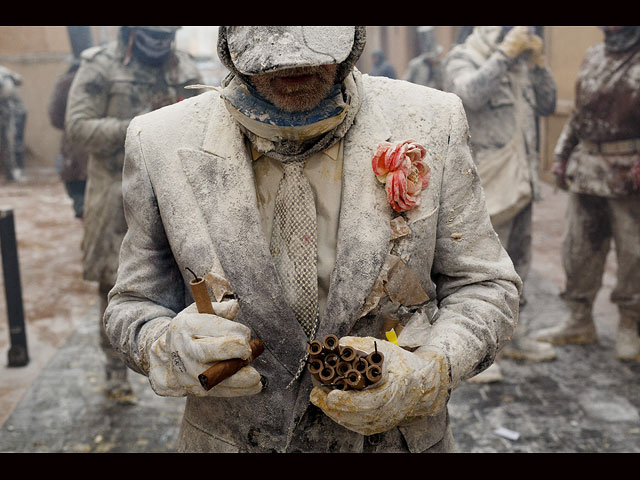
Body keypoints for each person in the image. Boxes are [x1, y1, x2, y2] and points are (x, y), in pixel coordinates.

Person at [104, 25, 521, 453]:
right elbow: (132, 304)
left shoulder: (433, 120)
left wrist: (431, 371)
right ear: (229, 42)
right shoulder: (159, 141)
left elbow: (483, 286)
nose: (298, 65)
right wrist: (163, 347)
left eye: (317, 48)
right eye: (273, 58)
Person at [65, 26, 203, 403]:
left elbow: (206, 120)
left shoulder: (185, 67)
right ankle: (115, 376)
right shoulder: (100, 66)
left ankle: (186, 363)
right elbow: (77, 127)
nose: (158, 43)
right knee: (114, 285)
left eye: (166, 35)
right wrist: (144, 128)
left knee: (192, 277)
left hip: (173, 193)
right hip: (114, 196)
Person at [442, 26, 558, 381]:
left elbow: (548, 103)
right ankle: (477, 351)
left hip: (521, 180)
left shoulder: (522, 63)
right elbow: (469, 95)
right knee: (482, 272)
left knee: (519, 266)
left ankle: (516, 337)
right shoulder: (465, 56)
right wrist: (504, 56)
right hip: (486, 184)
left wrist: (537, 64)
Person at [534, 26, 640, 363]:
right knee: (579, 249)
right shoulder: (594, 55)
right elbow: (578, 116)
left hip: (628, 175)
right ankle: (579, 320)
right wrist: (562, 155)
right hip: (587, 171)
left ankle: (629, 325)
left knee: (633, 254)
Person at [48, 59, 88, 218]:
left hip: (73, 154)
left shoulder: (65, 83)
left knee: (81, 204)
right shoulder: (108, 76)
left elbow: (55, 117)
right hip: (106, 156)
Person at [0, 65, 26, 182]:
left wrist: (9, 76)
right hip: (6, 114)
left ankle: (10, 173)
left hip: (5, 115)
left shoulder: (4, 72)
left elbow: (19, 80)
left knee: (8, 144)